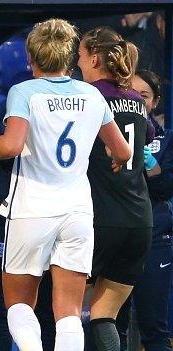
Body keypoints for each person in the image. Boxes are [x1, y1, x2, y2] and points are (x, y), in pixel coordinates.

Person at [0, 18, 131, 351]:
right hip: (77, 211)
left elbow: (10, 146)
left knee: (19, 304)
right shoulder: (91, 94)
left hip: (31, 208)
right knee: (67, 312)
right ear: (68, 57)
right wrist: (116, 159)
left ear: (29, 56)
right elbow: (121, 149)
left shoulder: (25, 92)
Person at [77, 26, 153, 351]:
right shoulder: (136, 99)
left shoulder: (90, 98)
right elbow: (148, 134)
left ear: (94, 58)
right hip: (139, 220)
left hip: (99, 218)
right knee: (103, 315)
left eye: (80, 56)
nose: (77, 63)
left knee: (67, 312)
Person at [115, 69, 173, 351]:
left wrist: (150, 164)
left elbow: (164, 190)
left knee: (155, 328)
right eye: (132, 94)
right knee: (113, 323)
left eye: (144, 95)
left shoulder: (169, 140)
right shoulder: (109, 134)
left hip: (155, 240)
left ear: (156, 101)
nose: (138, 100)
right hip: (118, 237)